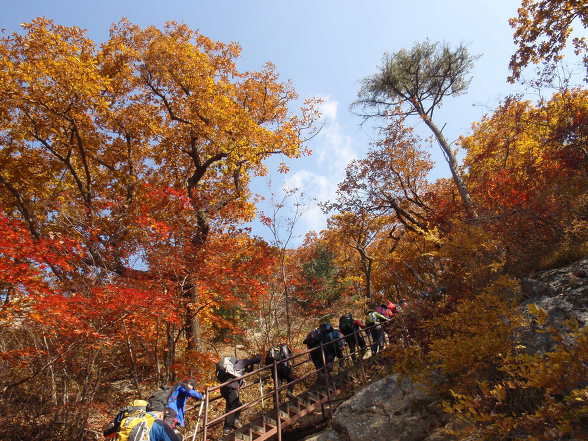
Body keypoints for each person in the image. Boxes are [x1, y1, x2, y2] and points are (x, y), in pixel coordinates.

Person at [217, 355, 261, 435]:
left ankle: (234, 422)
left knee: (236, 405)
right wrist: (258, 357)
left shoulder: (230, 369)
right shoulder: (240, 363)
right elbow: (251, 360)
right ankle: (228, 427)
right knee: (233, 406)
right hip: (231, 388)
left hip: (223, 389)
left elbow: (248, 370)